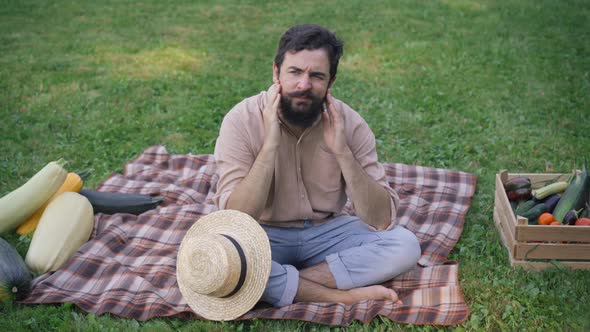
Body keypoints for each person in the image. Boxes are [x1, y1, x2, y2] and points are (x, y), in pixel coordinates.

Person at [213, 24, 421, 307]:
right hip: (263, 233)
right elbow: (235, 219)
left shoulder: (350, 123)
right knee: (225, 254)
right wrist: (270, 145)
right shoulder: (241, 120)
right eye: (295, 72)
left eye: (316, 76)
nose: (304, 85)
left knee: (406, 246)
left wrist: (342, 151)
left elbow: (381, 219)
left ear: (331, 81)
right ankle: (339, 296)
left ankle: (281, 284)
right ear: (276, 72)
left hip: (328, 231)